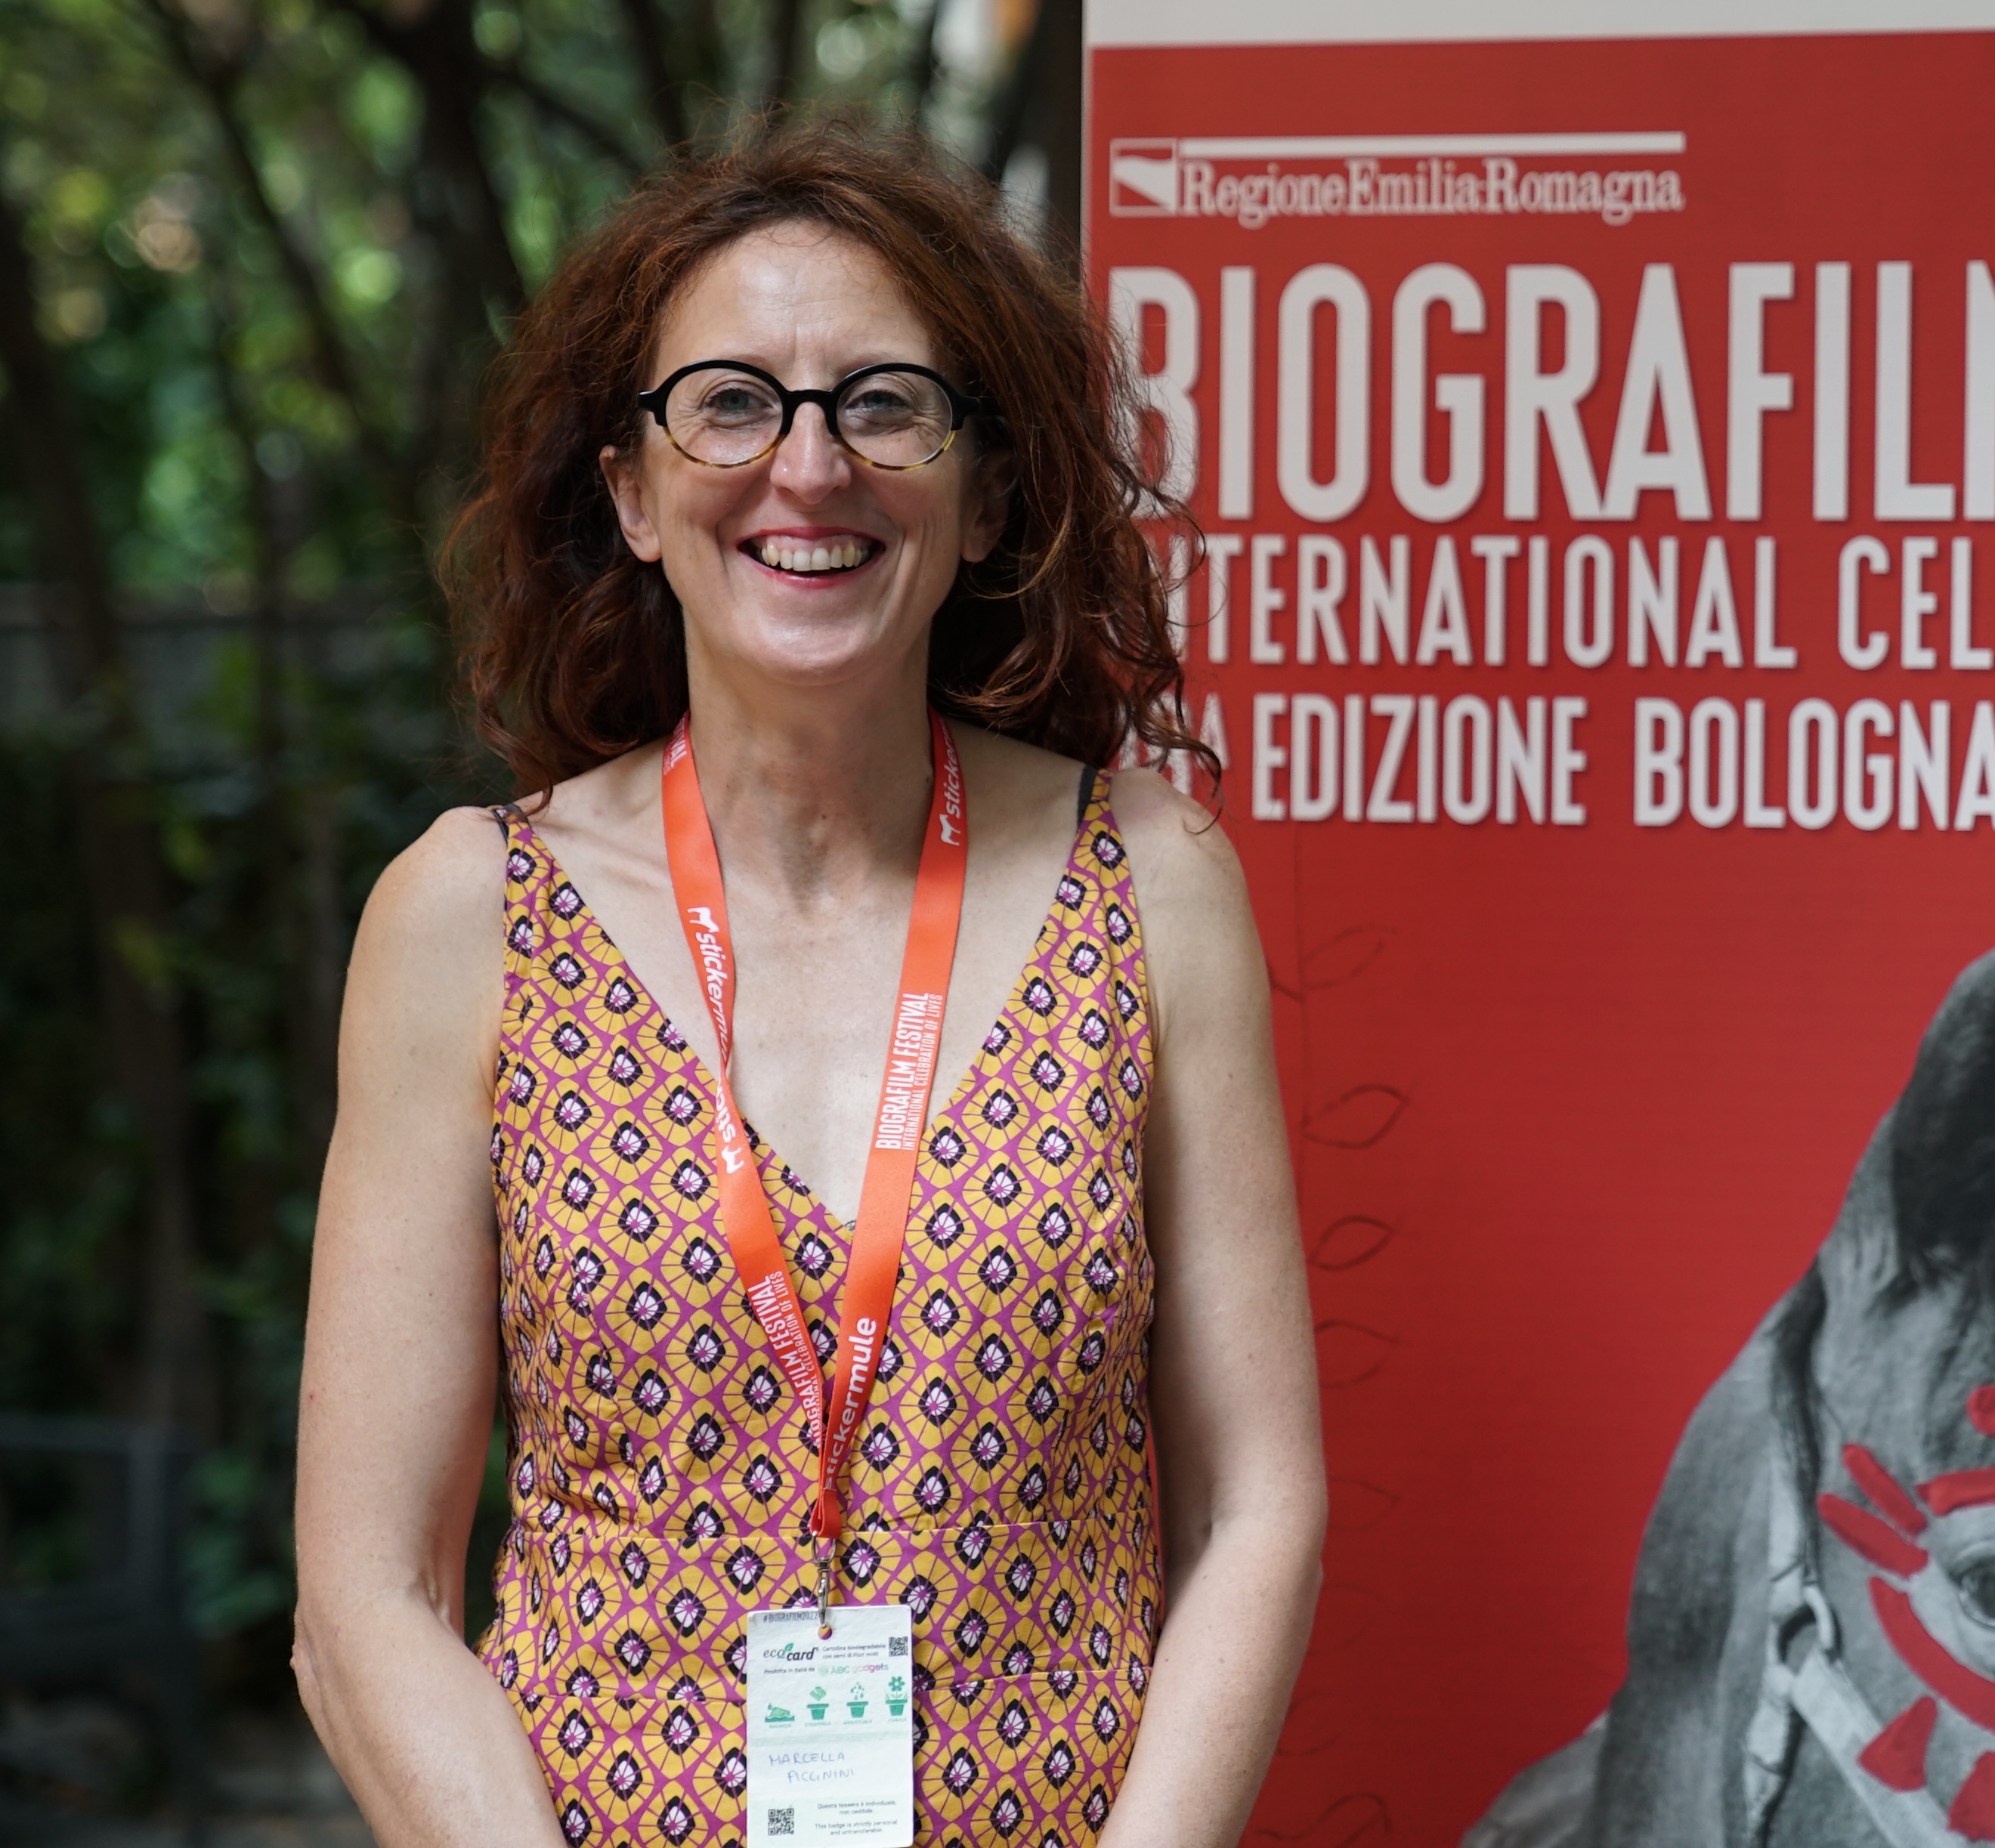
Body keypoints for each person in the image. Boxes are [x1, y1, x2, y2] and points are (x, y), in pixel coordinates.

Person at [292, 126, 1322, 1848]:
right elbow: (366, 1593)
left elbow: (1253, 1511)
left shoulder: (1150, 882)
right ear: (633, 492)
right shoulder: (470, 915)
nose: (809, 464)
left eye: (884, 405)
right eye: (730, 404)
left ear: (986, 493)